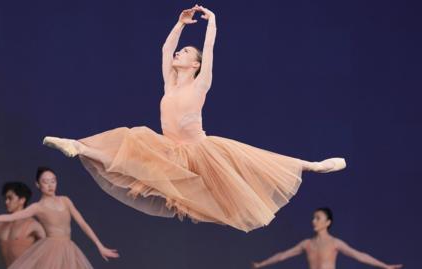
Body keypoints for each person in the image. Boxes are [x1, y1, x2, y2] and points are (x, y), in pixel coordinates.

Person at [42, 5, 346, 232]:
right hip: (169, 149)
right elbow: (164, 49)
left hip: (199, 151)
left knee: (247, 169)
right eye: (180, 51)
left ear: (195, 64)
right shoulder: (170, 84)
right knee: (129, 143)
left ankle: (313, 166)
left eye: (184, 52)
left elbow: (210, 50)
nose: (178, 54)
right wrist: (179, 24)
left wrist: (212, 22)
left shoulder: (201, 83)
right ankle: (77, 146)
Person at [0, 167, 119, 268]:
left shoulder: (65, 200)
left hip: (69, 249)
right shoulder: (37, 207)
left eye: (53, 181)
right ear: (38, 185)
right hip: (50, 250)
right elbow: (12, 217)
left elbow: (82, 223)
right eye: (45, 182)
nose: (50, 185)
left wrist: (100, 246)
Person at [251, 208, 402, 269]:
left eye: (318, 218)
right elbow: (283, 255)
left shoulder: (334, 243)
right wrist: (261, 264)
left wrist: (385, 266)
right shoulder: (307, 244)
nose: (313, 221)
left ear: (327, 222)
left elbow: (359, 255)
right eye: (313, 218)